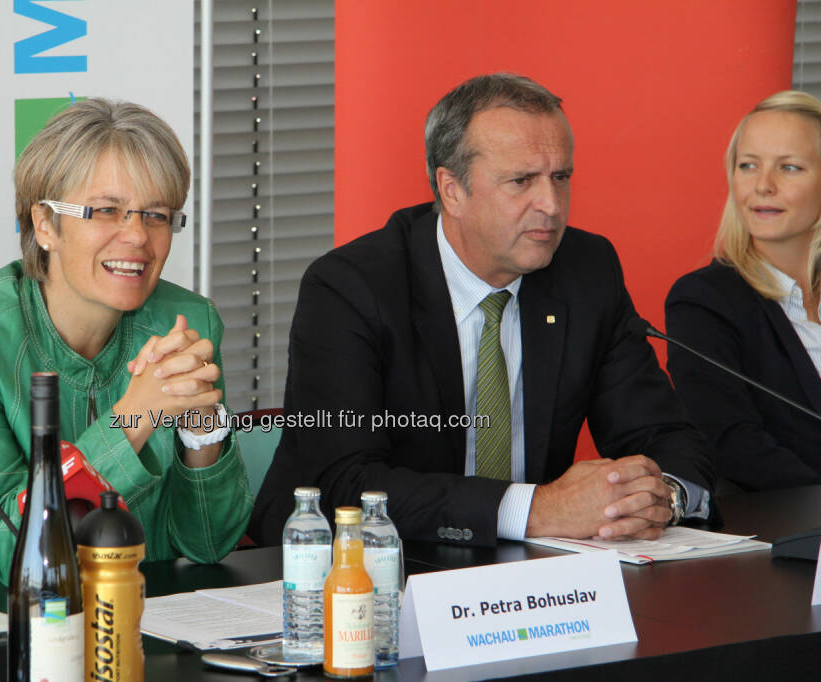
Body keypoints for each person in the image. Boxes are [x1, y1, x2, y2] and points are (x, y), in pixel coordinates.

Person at [249, 73, 714, 548]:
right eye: (522, 181)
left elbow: (660, 432)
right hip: (361, 568)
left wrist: (663, 498)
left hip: (524, 575)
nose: (551, 206)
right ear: (451, 190)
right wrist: (539, 509)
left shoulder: (586, 271)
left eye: (561, 178)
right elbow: (345, 483)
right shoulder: (351, 287)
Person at [0, 99, 252, 591]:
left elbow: (207, 543)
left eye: (156, 214)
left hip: (126, 610)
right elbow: (16, 547)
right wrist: (132, 420)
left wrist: (199, 428)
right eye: (106, 211)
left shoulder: (188, 324)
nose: (137, 235)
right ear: (46, 224)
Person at [666, 91, 821, 491]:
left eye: (788, 167)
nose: (763, 186)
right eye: (748, 165)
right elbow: (733, 445)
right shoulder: (703, 302)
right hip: (785, 537)